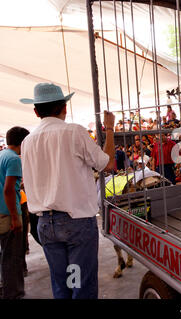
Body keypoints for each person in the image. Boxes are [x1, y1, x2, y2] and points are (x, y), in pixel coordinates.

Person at [20, 83, 116, 299]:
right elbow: (107, 164)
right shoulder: (73, 132)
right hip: (76, 222)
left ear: (36, 111)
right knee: (81, 285)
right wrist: (109, 129)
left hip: (45, 224)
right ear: (64, 107)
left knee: (62, 285)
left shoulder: (27, 142)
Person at [0, 126, 29, 299]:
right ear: (23, 142)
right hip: (8, 214)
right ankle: (14, 293)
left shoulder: (2, 155)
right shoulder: (13, 159)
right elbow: (9, 190)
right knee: (12, 257)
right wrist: (14, 217)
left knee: (5, 255)